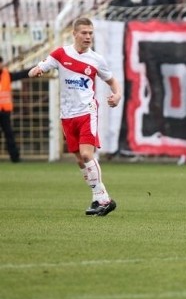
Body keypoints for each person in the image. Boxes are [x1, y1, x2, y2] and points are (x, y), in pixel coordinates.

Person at [28, 17, 122, 217]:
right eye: (84, 33)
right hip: (67, 115)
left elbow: (113, 81)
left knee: (87, 154)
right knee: (80, 160)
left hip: (87, 111)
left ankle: (104, 199)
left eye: (90, 33)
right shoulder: (61, 54)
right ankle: (98, 198)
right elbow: (41, 66)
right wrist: (35, 70)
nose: (88, 36)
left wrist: (117, 95)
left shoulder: (97, 59)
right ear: (75, 34)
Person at [0, 57, 31, 163]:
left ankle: (15, 157)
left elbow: (22, 74)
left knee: (9, 134)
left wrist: (37, 68)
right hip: (4, 110)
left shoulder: (7, 75)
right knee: (8, 134)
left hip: (5, 111)